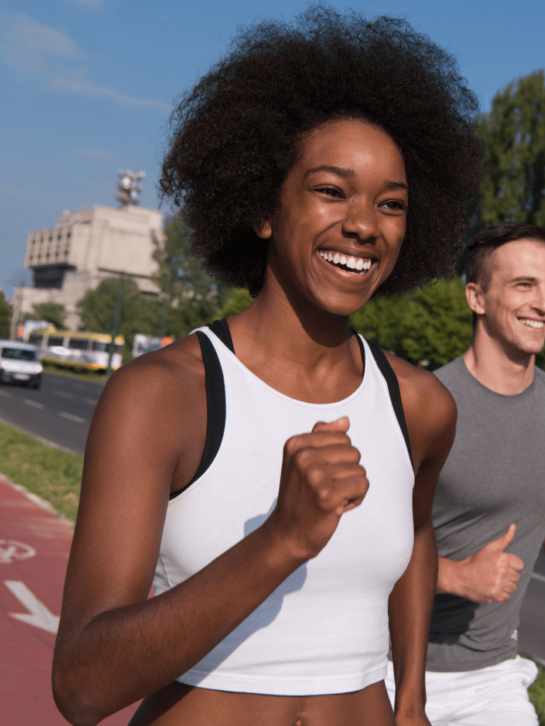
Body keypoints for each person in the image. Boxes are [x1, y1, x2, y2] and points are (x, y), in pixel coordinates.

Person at [52, 8, 480, 726]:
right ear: (261, 206)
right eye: (331, 190)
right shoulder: (162, 398)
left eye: (393, 204)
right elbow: (82, 686)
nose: (365, 225)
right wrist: (281, 538)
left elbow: (416, 535)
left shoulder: (422, 406)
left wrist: (412, 699)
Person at [386, 222, 545, 725]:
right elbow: (356, 542)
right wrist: (458, 576)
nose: (544, 304)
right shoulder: (422, 406)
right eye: (524, 285)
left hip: (491, 675)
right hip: (387, 663)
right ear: (476, 297)